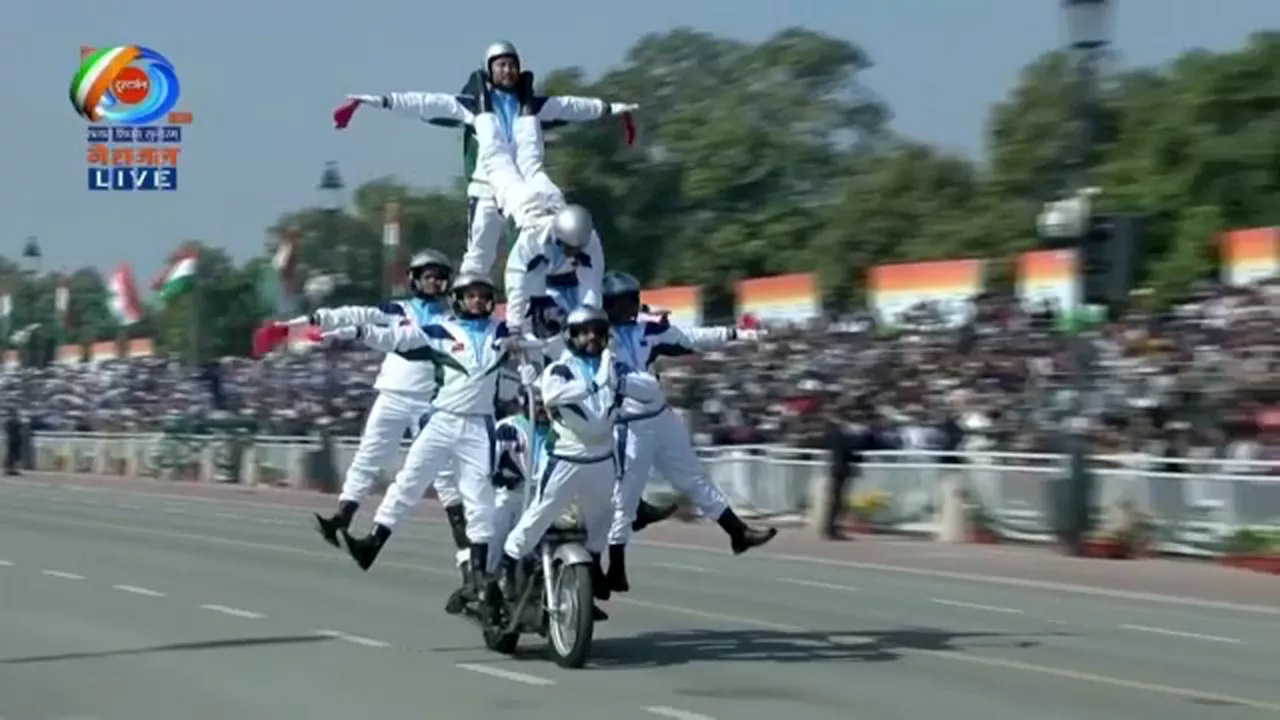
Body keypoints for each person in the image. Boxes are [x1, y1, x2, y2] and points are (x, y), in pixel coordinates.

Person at [342, 41, 637, 276]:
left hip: (524, 188)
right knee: (480, 254)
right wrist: (379, 101)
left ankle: (549, 298)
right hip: (485, 190)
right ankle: (467, 310)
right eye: (501, 65)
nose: (507, 71)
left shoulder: (531, 105)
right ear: (489, 69)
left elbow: (570, 107)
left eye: (512, 65)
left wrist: (611, 109)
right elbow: (426, 102)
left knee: (542, 236)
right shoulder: (471, 105)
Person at [322, 273, 513, 608]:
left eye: (484, 296)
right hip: (441, 421)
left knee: (478, 500)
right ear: (458, 299)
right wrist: (357, 332)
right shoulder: (441, 331)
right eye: (471, 296)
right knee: (407, 483)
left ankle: (481, 575)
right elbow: (397, 338)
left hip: (479, 428)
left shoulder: (502, 332)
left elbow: (537, 347)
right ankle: (372, 544)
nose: (479, 302)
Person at [271, 251, 471, 561]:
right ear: (415, 280)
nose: (434, 282)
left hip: (430, 401)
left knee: (443, 474)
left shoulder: (455, 320)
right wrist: (315, 320)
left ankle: (466, 544)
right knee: (368, 457)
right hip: (391, 395)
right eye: (427, 276)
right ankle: (342, 517)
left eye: (440, 276)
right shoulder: (397, 309)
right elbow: (356, 314)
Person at [600, 271, 778, 593]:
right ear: (606, 305)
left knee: (694, 479)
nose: (628, 307)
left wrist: (737, 334)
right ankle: (615, 567)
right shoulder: (596, 337)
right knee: (625, 499)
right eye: (620, 302)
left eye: (632, 300)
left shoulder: (647, 330)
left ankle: (738, 533)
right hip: (628, 427)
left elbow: (692, 337)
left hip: (662, 418)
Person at [491, 305, 661, 615]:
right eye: (584, 332)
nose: (592, 338)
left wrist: (621, 381)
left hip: (602, 460)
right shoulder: (561, 369)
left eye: (598, 332)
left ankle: (590, 573)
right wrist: (599, 381)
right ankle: (503, 573)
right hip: (566, 459)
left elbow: (652, 392)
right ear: (571, 336)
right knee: (536, 520)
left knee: (601, 520)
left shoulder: (616, 369)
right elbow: (553, 395)